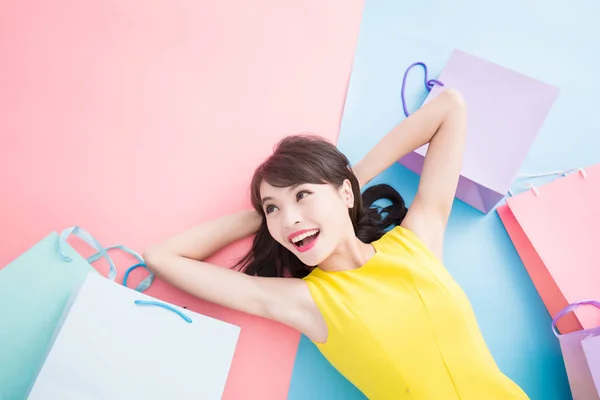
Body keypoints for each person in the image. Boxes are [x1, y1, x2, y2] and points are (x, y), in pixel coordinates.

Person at [143, 88, 529, 399]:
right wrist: (261, 215)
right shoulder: (307, 302)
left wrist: (349, 179)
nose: (289, 217)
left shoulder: (418, 243)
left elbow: (450, 107)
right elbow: (162, 257)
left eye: (303, 195)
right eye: (273, 207)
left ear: (344, 194)